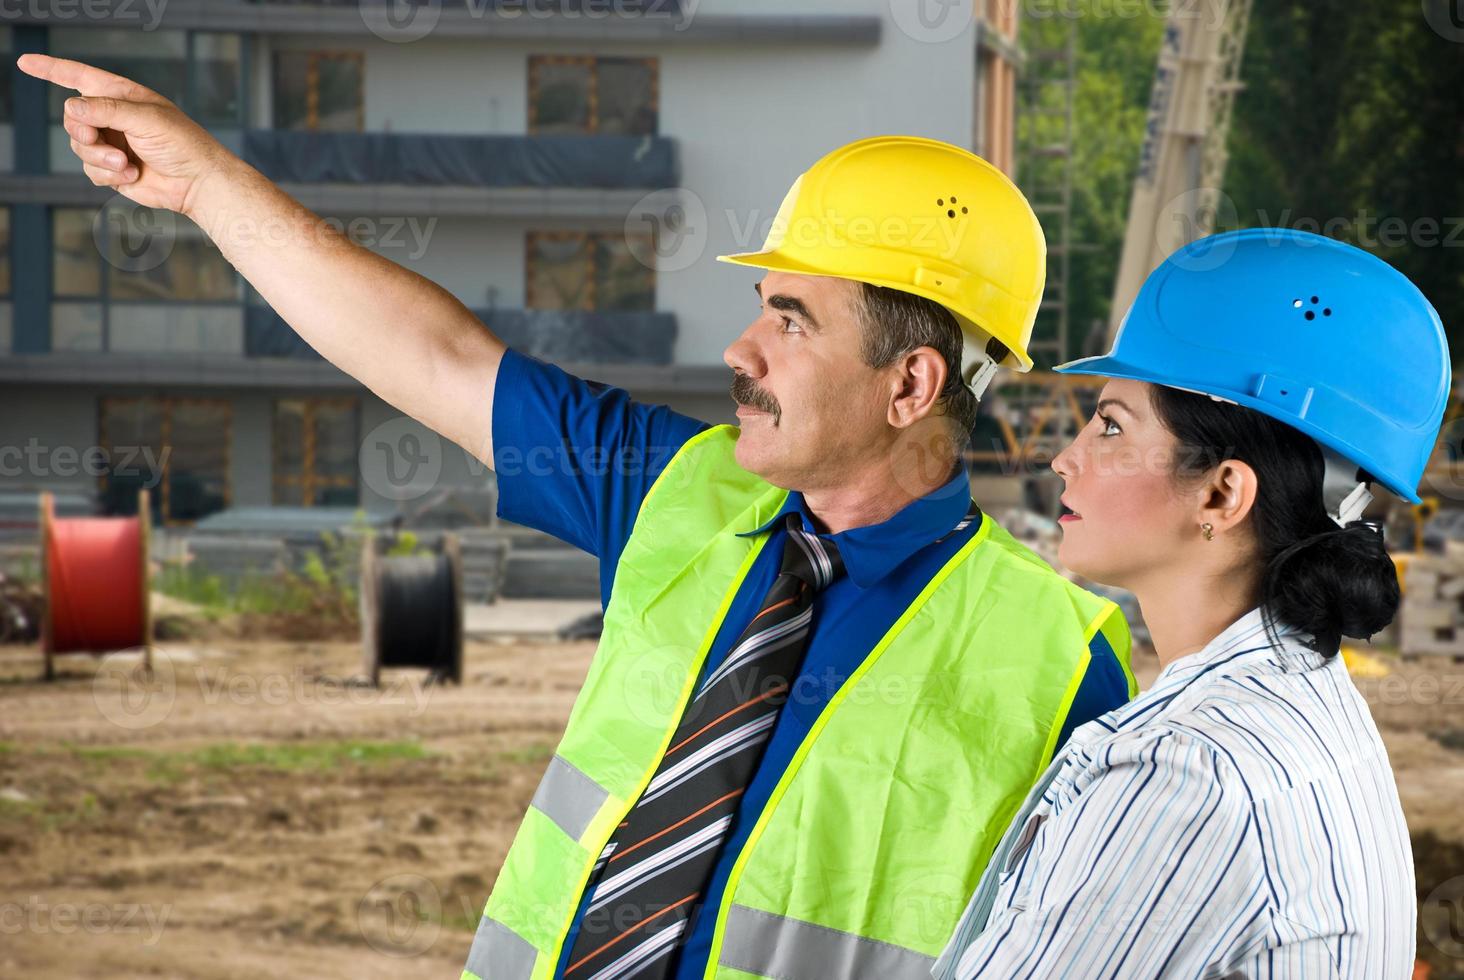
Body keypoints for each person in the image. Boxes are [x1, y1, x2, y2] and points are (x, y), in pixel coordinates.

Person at [20, 53, 1137, 980]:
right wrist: (209, 185)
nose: (740, 351)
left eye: (792, 321)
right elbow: (436, 356)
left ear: (911, 386)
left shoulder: (1060, 663)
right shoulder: (681, 491)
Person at [935, 228, 1448, 979]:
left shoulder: (1186, 772)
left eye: (1112, 425)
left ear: (1221, 492)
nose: (1064, 456)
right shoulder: (1301, 703)